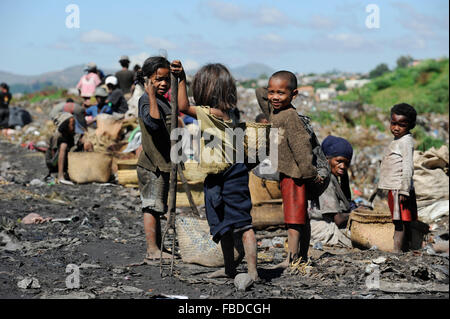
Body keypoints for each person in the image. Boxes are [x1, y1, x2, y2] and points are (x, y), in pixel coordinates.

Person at [178, 62, 259, 282]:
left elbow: (183, 106)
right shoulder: (231, 112)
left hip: (226, 175)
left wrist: (182, 78)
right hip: (228, 173)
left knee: (239, 224)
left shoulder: (210, 113)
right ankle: (235, 269)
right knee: (229, 224)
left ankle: (249, 272)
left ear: (204, 90)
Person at [265, 71, 320, 269]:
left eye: (281, 93)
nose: (274, 97)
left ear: (294, 94)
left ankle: (291, 259)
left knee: (294, 219)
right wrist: (272, 92)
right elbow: (258, 92)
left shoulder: (290, 116)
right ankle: (301, 256)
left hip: (295, 175)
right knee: (299, 217)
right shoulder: (275, 111)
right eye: (271, 92)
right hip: (287, 172)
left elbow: (302, 147)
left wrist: (309, 174)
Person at [137, 56, 181, 262]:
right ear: (147, 81)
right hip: (151, 164)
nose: (163, 84)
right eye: (158, 79)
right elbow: (154, 125)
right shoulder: (146, 101)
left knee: (158, 206)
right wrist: (151, 95)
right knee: (151, 206)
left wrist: (182, 77)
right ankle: (152, 249)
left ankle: (157, 246)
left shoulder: (164, 101)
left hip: (163, 162)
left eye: (167, 79)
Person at [378, 103, 418, 253]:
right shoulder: (398, 140)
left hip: (399, 189)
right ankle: (404, 248)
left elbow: (408, 167)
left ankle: (397, 251)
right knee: (400, 221)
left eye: (402, 125)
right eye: (393, 123)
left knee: (400, 222)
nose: (396, 128)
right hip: (394, 188)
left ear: (410, 125)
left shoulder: (406, 141)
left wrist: (404, 190)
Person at [307, 136, 357, 248]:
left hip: (328, 223)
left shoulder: (334, 176)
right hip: (321, 227)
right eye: (339, 161)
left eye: (346, 163)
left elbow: (347, 202)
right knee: (358, 240)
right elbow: (338, 219)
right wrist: (356, 214)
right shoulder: (326, 180)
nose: (343, 166)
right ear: (326, 159)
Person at [45, 112, 93, 184]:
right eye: (72, 124)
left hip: (67, 157)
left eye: (74, 124)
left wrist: (82, 140)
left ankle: (92, 172)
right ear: (65, 124)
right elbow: (54, 155)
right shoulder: (57, 136)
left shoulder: (71, 133)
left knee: (88, 144)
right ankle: (61, 176)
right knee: (63, 145)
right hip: (54, 163)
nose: (74, 126)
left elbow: (75, 145)